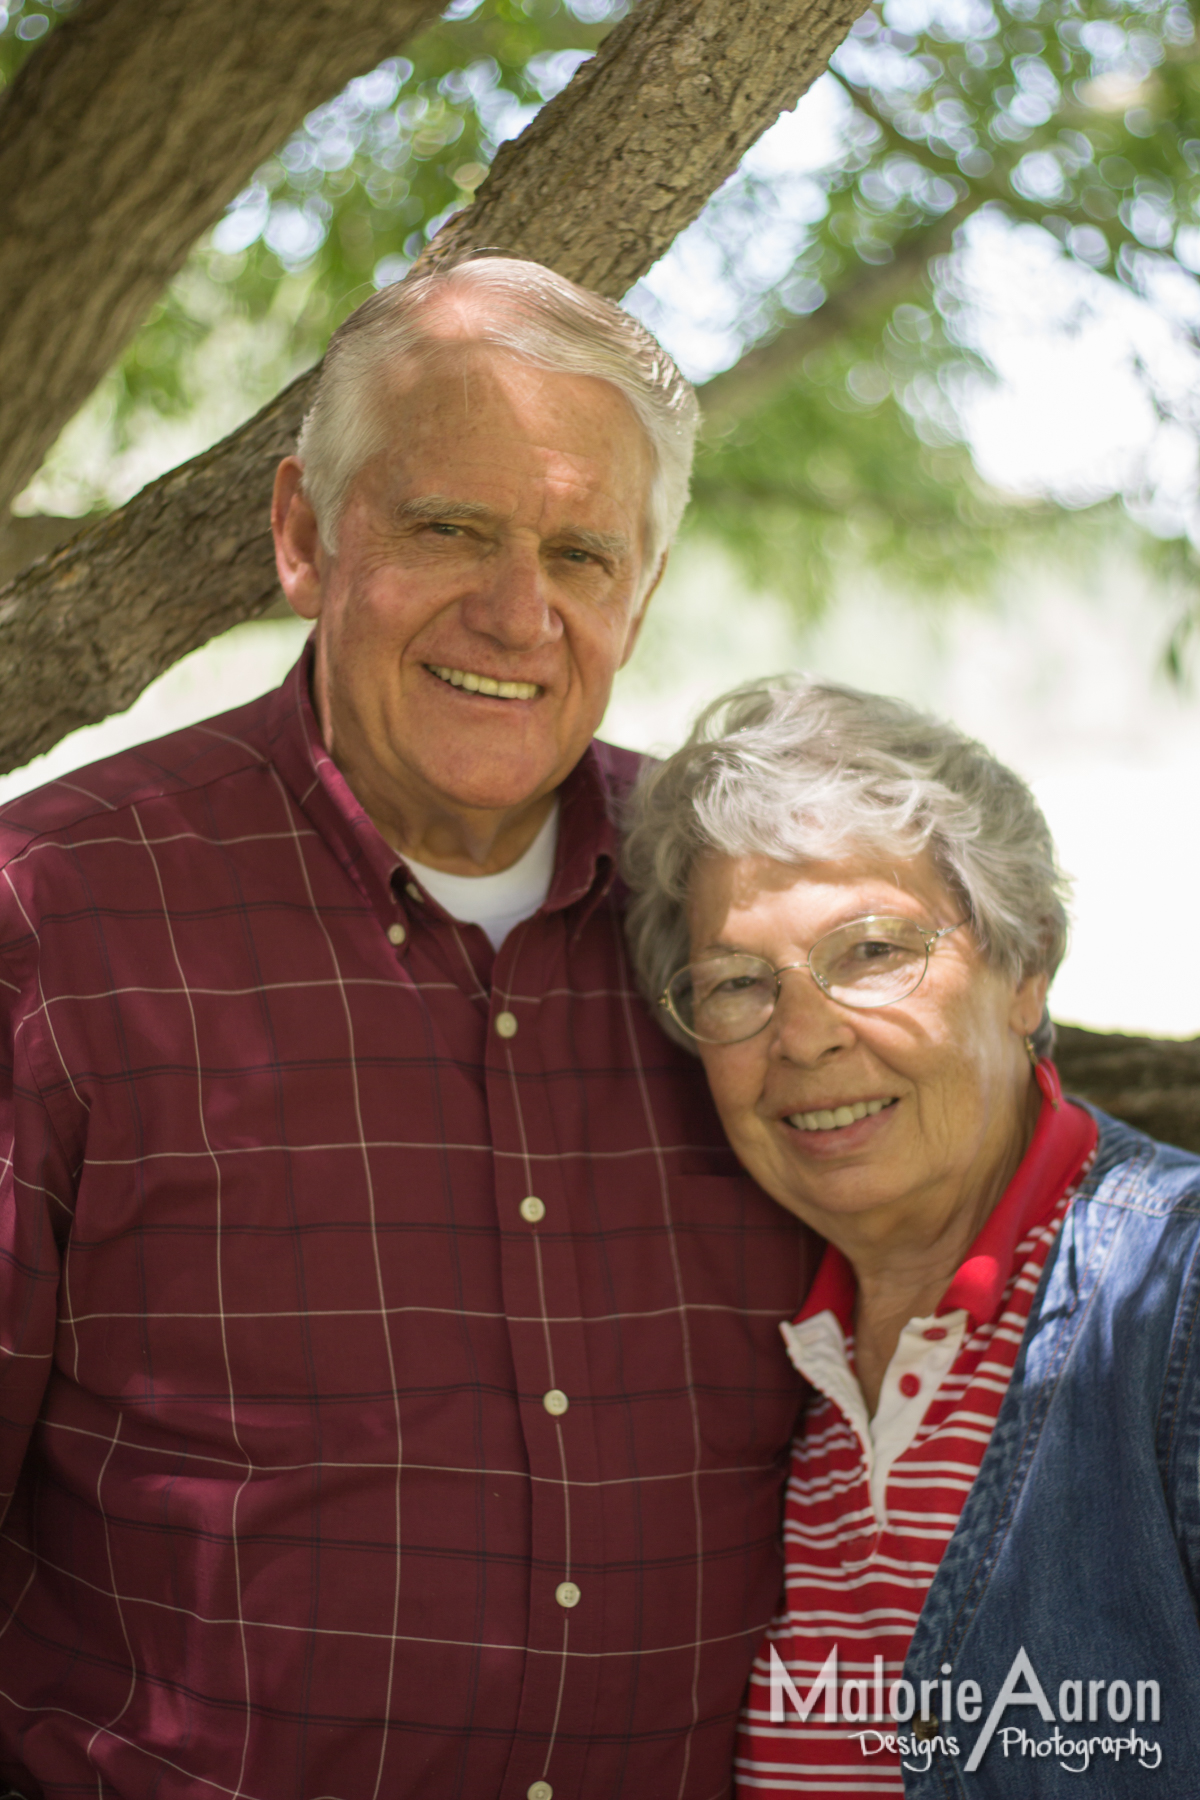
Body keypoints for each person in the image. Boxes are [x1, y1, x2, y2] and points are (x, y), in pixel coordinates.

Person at [0, 260, 814, 1799]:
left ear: (636, 596)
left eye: (581, 554)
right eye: (451, 528)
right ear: (308, 535)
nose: (516, 612)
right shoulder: (54, 917)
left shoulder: (755, 916)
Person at [623, 676, 1200, 1796]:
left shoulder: (1170, 1296)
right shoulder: (773, 1366)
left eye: (873, 951)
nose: (805, 1036)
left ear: (1022, 964)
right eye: (739, 983)